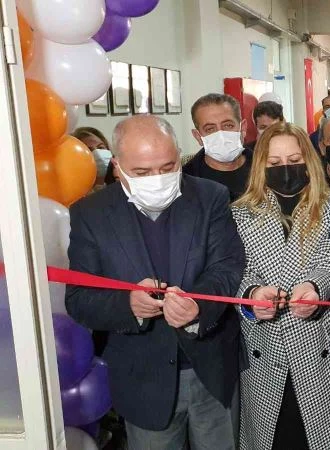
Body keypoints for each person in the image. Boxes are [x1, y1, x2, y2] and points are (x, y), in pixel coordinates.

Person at [65, 115, 245, 450]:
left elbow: (227, 267)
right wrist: (129, 305)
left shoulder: (211, 197)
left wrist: (198, 306)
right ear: (117, 167)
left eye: (167, 167)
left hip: (211, 370)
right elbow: (79, 299)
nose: (158, 179)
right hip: (142, 379)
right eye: (142, 172)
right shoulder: (90, 213)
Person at [232, 122, 330, 450]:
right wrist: (252, 295)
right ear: (261, 166)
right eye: (274, 163)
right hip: (264, 348)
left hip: (320, 347)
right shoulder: (240, 214)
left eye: (294, 159)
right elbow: (236, 271)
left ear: (309, 161)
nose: (285, 169)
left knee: (321, 438)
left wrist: (315, 287)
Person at [183, 93, 253, 202]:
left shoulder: (265, 167)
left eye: (228, 125)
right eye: (210, 129)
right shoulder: (185, 182)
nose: (221, 135)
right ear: (198, 136)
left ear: (243, 128)